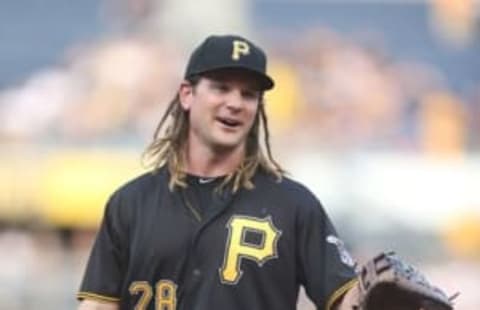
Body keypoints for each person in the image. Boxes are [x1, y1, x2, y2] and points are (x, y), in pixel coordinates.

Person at [77, 34, 359, 310]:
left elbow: (343, 300)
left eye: (248, 94)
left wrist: (376, 297)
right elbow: (98, 303)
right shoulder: (131, 203)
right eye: (221, 88)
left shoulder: (294, 204)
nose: (235, 103)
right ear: (187, 95)